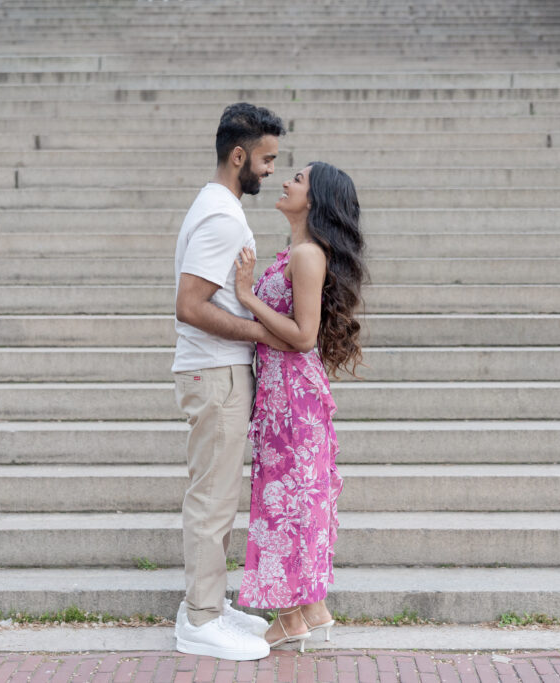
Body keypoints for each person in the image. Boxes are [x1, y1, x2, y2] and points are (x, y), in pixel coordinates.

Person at [172, 102, 289, 661]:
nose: (270, 169)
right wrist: (258, 333)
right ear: (238, 155)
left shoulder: (216, 205)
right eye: (266, 158)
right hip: (215, 370)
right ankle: (200, 620)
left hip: (216, 368)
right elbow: (190, 305)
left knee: (215, 496)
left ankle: (207, 604)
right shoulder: (223, 217)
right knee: (214, 502)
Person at [233, 162, 366, 651]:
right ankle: (312, 610)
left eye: (299, 178)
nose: (286, 181)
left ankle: (289, 617)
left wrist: (247, 297)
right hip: (283, 395)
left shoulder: (308, 254)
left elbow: (304, 336)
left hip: (291, 398)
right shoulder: (298, 251)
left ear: (315, 199)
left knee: (285, 502)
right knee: (294, 498)